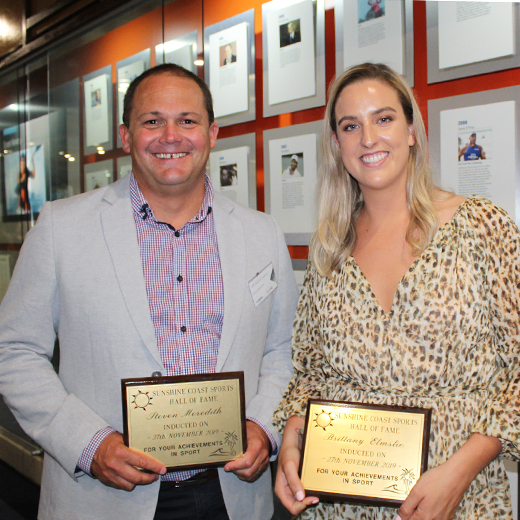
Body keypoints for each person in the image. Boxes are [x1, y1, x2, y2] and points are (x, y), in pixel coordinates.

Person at [0, 64, 299, 520]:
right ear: (125, 135)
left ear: (213, 133)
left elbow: (283, 351)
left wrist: (263, 425)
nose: (171, 136)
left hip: (231, 495)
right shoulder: (62, 227)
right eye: (152, 121)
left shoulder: (262, 233)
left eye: (188, 121)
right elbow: (14, 350)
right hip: (105, 497)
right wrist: (87, 443)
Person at [273, 62, 520, 520]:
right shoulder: (331, 247)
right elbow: (309, 368)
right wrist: (291, 439)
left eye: (383, 118)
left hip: (455, 500)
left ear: (411, 129)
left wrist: (460, 471)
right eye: (351, 125)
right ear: (336, 144)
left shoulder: (482, 226)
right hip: (339, 502)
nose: (368, 138)